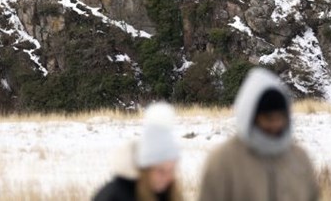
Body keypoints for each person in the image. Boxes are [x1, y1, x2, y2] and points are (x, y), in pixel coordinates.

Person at [198, 67, 318, 201]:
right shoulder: (223, 162)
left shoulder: (300, 159)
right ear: (251, 117)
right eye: (268, 118)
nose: (275, 124)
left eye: (280, 117)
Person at [93, 102, 183, 201]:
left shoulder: (169, 193)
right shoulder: (112, 197)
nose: (167, 177)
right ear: (144, 169)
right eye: (161, 171)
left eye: (171, 170)